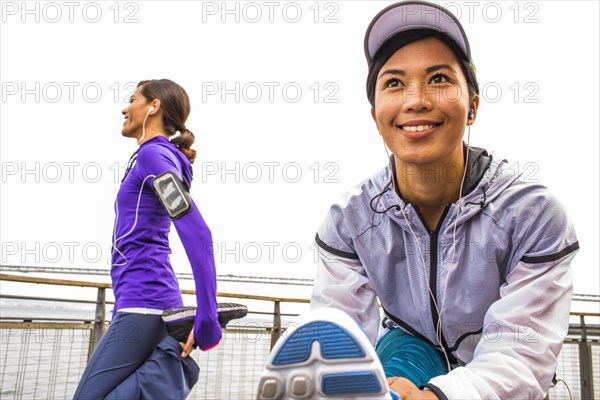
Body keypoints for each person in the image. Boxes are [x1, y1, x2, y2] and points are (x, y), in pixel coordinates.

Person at [257, 2, 579, 399]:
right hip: (410, 348)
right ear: (376, 115)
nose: (416, 100)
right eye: (394, 83)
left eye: (439, 78)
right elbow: (340, 329)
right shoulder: (349, 221)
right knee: (387, 366)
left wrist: (436, 396)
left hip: (497, 373)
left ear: (473, 106)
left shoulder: (534, 216)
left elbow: (521, 351)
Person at [74, 79, 225, 399]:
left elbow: (198, 232)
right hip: (139, 301)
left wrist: (207, 314)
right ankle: (168, 368)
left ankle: (171, 367)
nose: (124, 108)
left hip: (146, 303)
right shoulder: (152, 157)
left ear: (153, 107)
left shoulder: (154, 156)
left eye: (132, 99)